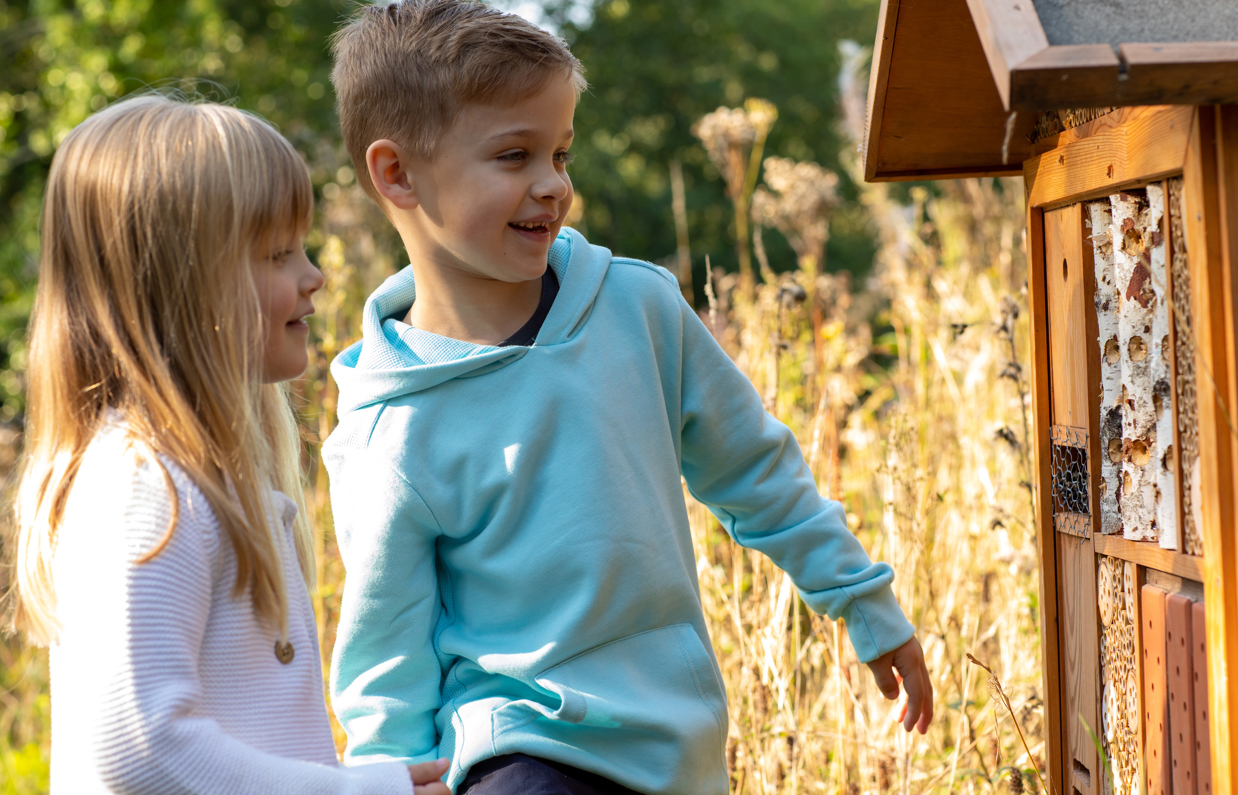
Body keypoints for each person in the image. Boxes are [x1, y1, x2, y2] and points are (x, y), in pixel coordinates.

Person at [324, 2, 934, 793]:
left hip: (676, 748)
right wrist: (388, 777)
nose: (552, 184)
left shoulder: (636, 310)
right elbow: (385, 652)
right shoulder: (388, 424)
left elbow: (757, 470)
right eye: (514, 155)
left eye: (561, 153)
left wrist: (861, 600)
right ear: (396, 173)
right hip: (516, 747)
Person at [6, 94, 451, 795]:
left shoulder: (193, 477)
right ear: (180, 288)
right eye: (277, 254)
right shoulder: (147, 487)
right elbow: (139, 746)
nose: (315, 276)